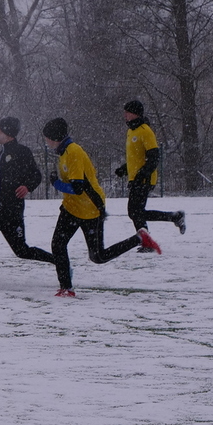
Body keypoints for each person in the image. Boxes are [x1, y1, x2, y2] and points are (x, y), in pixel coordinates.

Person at [42, 116, 161, 297]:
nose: (46, 141)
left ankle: (139, 238)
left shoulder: (73, 152)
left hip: (90, 208)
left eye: (47, 137)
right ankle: (66, 288)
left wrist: (56, 183)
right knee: (58, 245)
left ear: (54, 137)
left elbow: (77, 188)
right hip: (71, 208)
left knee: (98, 256)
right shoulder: (64, 151)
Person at [0, 116, 53, 288]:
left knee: (22, 251)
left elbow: (36, 175)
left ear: (7, 132)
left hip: (11, 211)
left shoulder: (22, 152)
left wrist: (27, 187)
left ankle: (60, 262)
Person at [114, 99, 186, 248]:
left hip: (144, 179)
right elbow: (136, 157)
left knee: (135, 212)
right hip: (135, 178)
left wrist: (143, 174)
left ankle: (147, 241)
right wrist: (124, 169)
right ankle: (174, 217)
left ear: (135, 113)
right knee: (136, 212)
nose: (125, 115)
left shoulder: (145, 131)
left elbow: (154, 157)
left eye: (127, 112)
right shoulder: (131, 132)